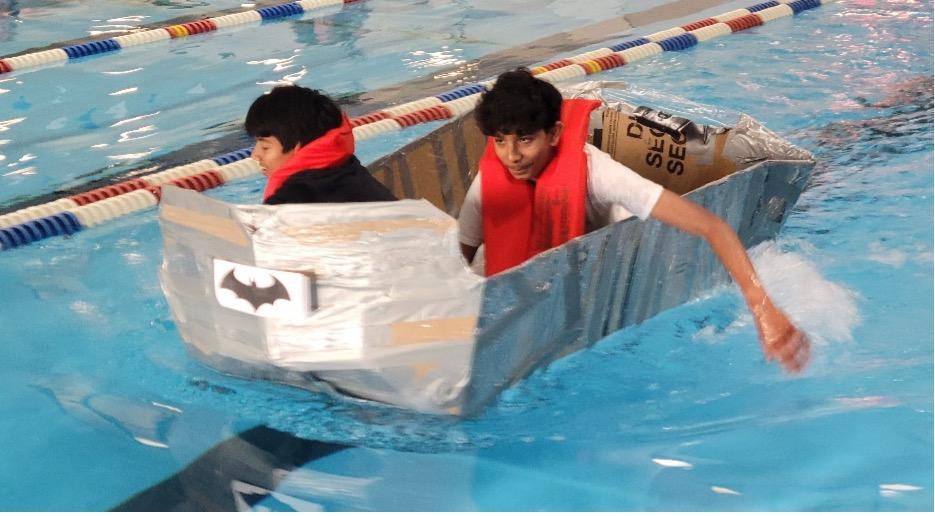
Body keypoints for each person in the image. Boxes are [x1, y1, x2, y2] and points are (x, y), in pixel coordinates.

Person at [458, 69, 810, 373]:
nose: (512, 156)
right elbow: (461, 257)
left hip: (607, 263)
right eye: (500, 142)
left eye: (525, 139)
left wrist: (764, 309)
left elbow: (711, 226)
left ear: (554, 134)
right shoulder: (489, 183)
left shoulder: (601, 175)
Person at [245, 85, 396, 204]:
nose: (255, 155)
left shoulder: (290, 202)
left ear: (297, 146)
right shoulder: (348, 168)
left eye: (265, 147)